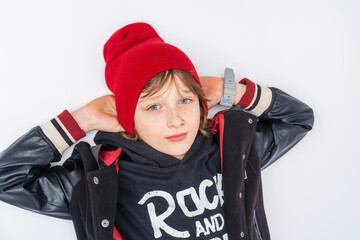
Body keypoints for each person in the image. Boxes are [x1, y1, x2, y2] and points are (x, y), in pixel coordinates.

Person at [0, 22, 314, 240]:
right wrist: (79, 121)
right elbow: (7, 179)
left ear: (202, 102)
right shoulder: (101, 179)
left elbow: (299, 119)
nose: (176, 119)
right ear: (128, 118)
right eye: (153, 106)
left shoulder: (232, 148)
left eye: (185, 100)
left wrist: (233, 91)